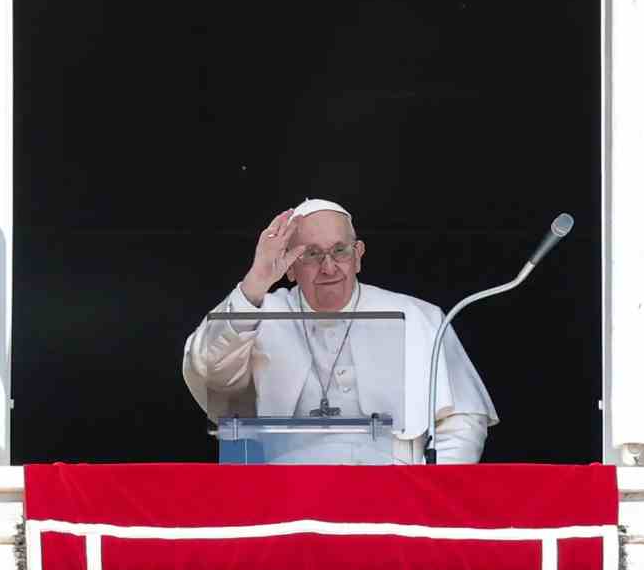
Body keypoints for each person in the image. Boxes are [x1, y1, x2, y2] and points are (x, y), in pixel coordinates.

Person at [182, 198, 497, 463]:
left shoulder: (418, 316)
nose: (329, 267)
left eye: (340, 251)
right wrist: (255, 282)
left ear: (358, 255)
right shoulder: (258, 315)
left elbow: (463, 419)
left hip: (394, 492)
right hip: (286, 494)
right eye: (312, 254)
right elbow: (208, 369)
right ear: (289, 266)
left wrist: (430, 492)